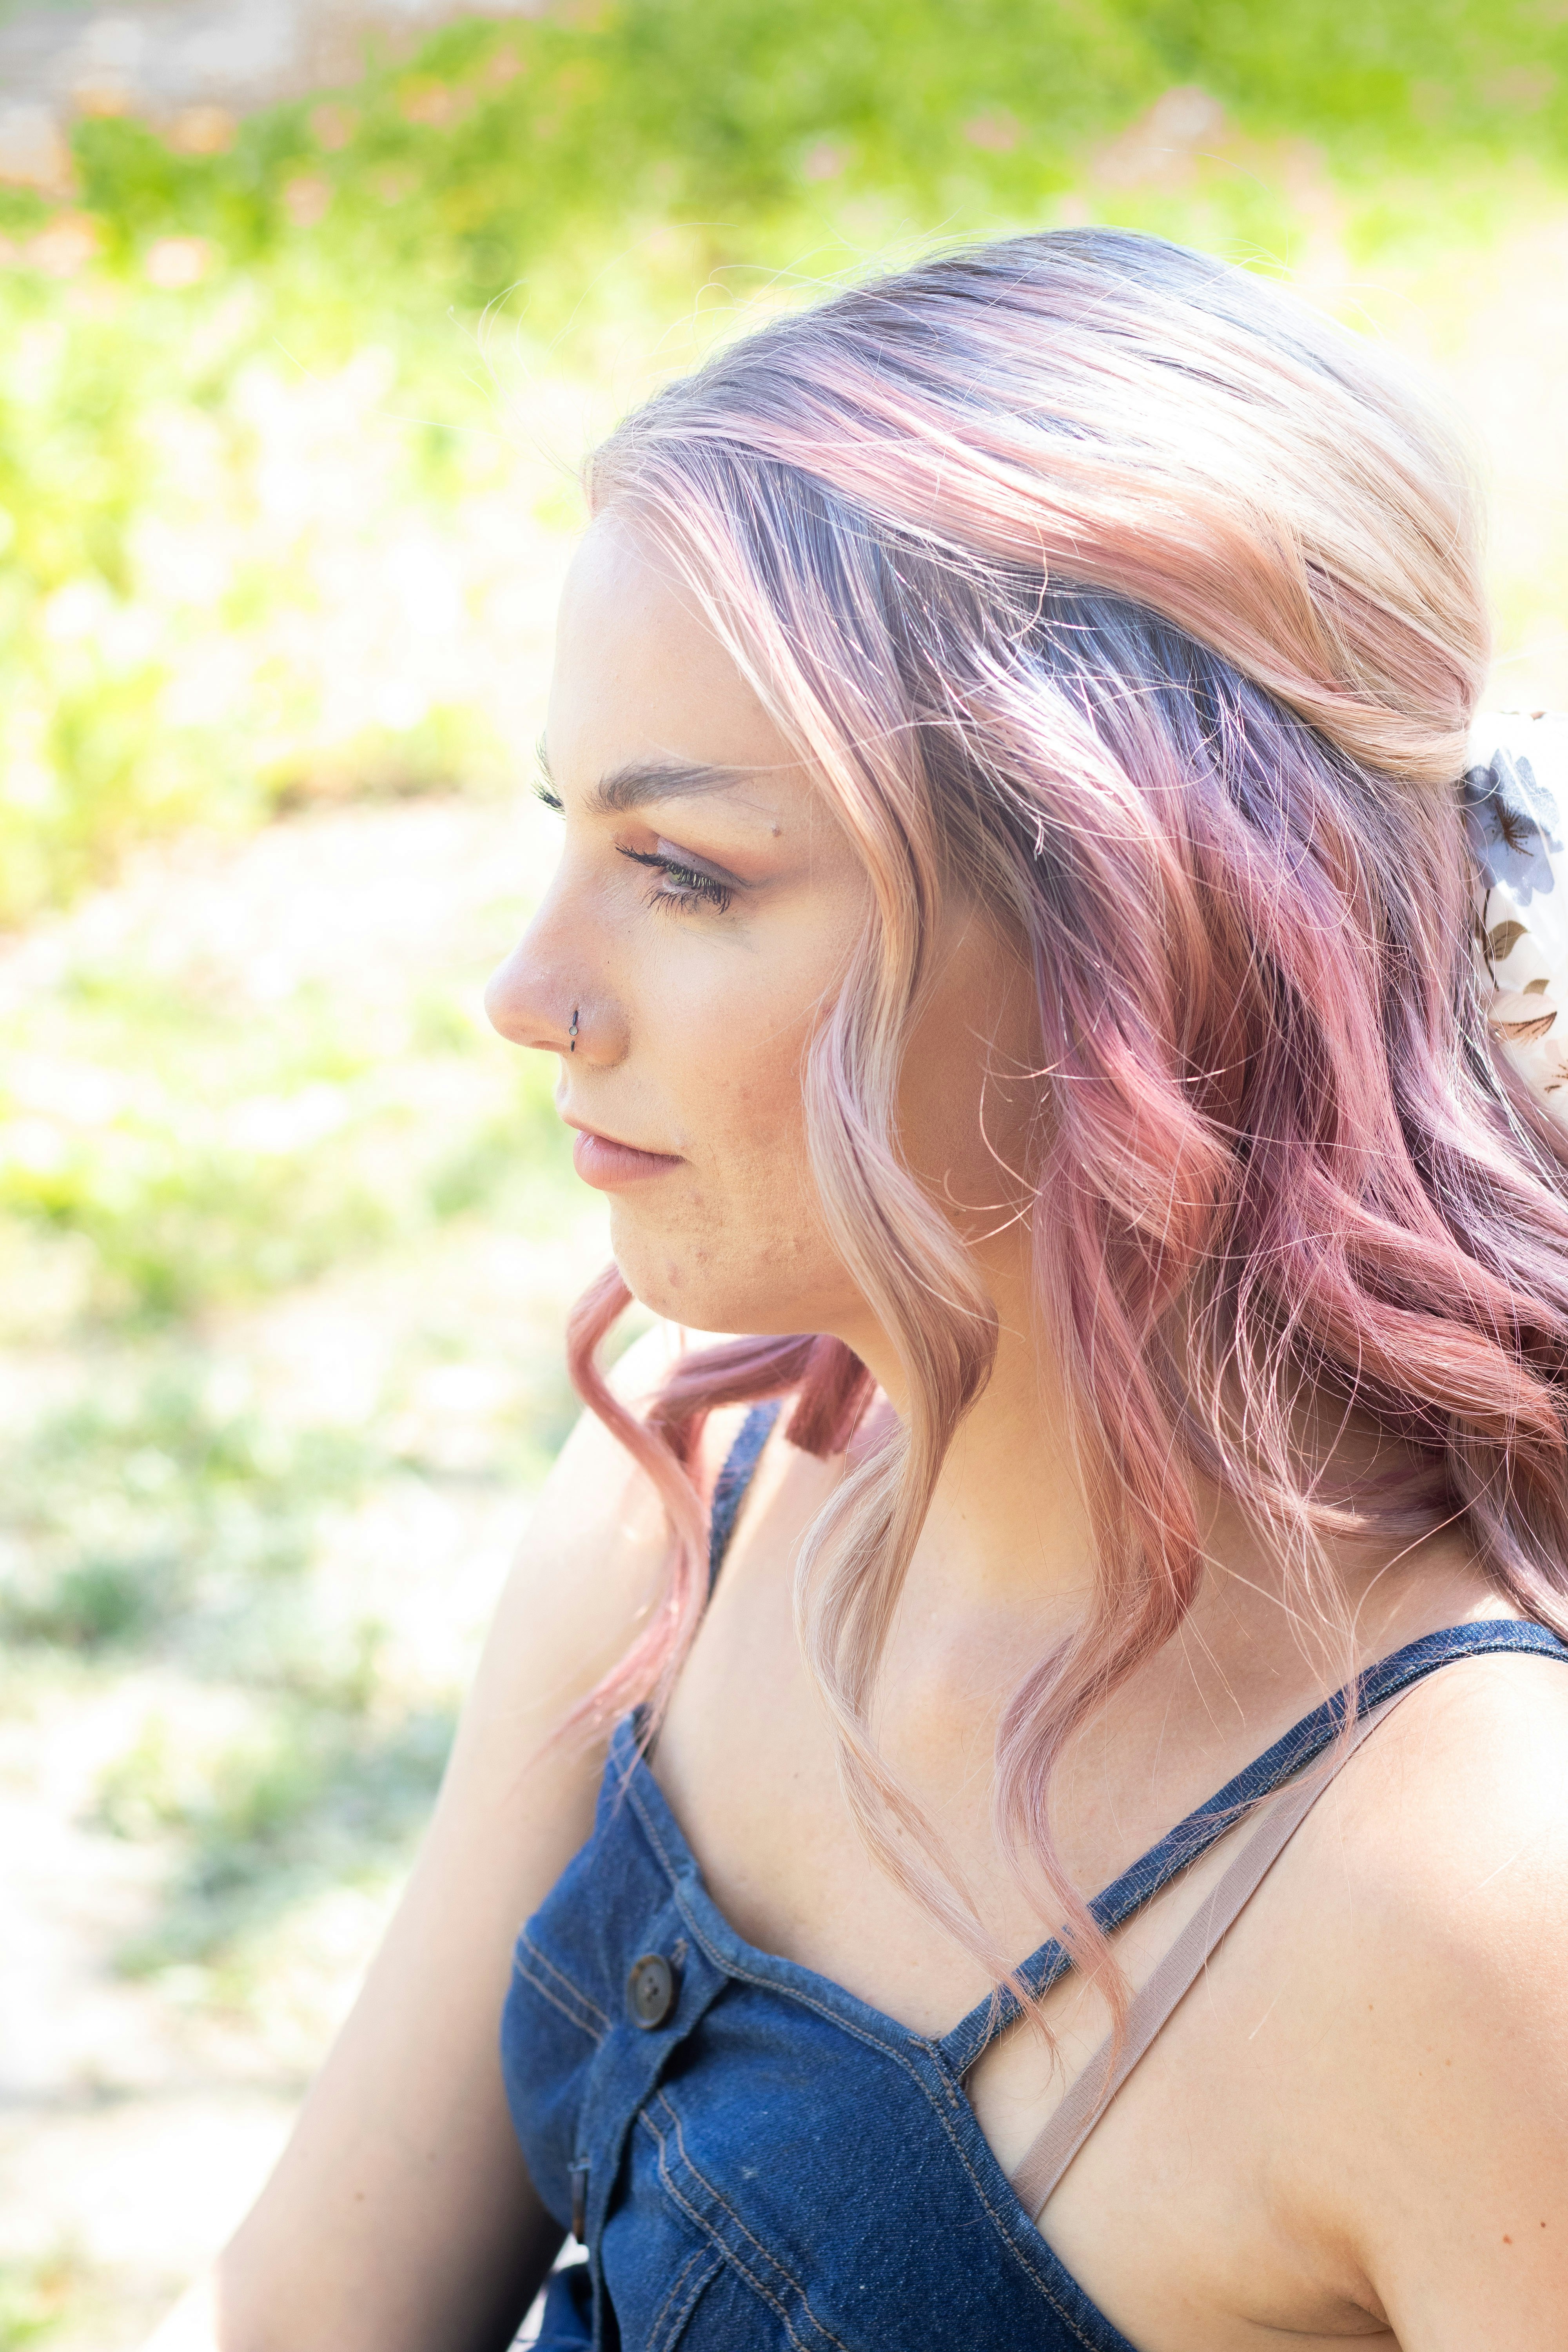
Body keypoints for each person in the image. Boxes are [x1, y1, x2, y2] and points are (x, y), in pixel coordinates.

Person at [149, 230, 1568, 2352]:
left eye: (690, 873)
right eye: (568, 831)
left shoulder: (1470, 1891)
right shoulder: (705, 1484)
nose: (529, 995)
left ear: (1146, 940)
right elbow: (305, 2316)